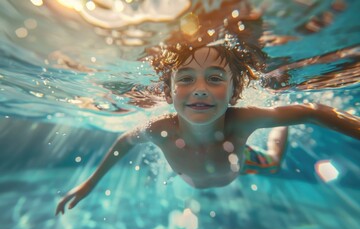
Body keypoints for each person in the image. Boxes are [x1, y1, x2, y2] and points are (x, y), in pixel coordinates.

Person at [55, 8, 360, 215]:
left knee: (276, 162)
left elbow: (313, 111)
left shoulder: (242, 120)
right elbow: (124, 141)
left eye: (215, 79)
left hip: (245, 163)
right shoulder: (161, 129)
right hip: (215, 168)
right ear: (169, 92)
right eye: (186, 79)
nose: (199, 89)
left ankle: (280, 128)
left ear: (234, 92)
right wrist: (89, 183)